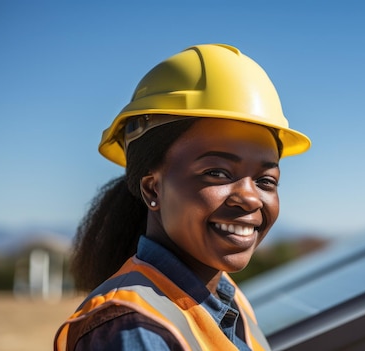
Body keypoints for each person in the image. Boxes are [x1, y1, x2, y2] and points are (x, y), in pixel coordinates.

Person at [54, 43, 311, 351]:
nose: (250, 199)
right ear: (153, 189)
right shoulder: (134, 330)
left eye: (265, 180)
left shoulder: (228, 296)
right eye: (217, 173)